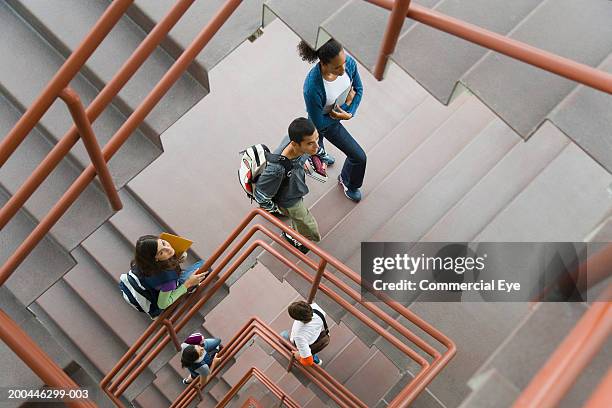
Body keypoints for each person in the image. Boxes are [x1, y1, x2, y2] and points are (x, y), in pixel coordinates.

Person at [299, 39, 366, 203]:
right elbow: (319, 124)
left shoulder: (348, 63)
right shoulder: (312, 87)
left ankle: (346, 179)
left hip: (336, 113)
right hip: (323, 120)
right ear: (324, 64)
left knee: (355, 157)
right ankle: (317, 157)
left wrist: (349, 112)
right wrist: (341, 114)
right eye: (337, 67)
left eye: (343, 62)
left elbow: (359, 89)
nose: (343, 69)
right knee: (358, 157)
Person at [254, 118, 322, 254]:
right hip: (289, 201)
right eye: (310, 143)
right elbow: (260, 195)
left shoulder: (295, 142)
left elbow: (311, 150)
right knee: (310, 228)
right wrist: (277, 210)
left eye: (317, 139)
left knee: (299, 221)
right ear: (295, 144)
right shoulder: (277, 169)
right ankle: (295, 237)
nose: (317, 146)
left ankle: (295, 231)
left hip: (295, 188)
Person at [132, 235, 207, 310]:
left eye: (163, 243)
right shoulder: (168, 280)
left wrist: (176, 259)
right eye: (161, 252)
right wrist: (188, 284)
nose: (168, 249)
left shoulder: (143, 261)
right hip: (160, 296)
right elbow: (162, 305)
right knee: (204, 264)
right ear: (155, 259)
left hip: (147, 286)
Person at [281, 301, 330, 366]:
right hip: (316, 337)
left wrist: (298, 356)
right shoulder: (318, 308)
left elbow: (308, 362)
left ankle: (307, 357)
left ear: (297, 319)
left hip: (305, 343)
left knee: (283, 335)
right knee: (308, 350)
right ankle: (316, 359)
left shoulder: (299, 336)